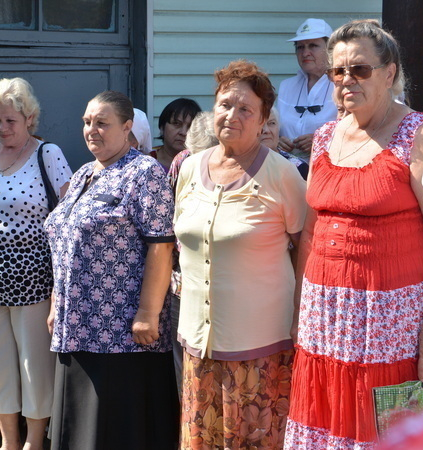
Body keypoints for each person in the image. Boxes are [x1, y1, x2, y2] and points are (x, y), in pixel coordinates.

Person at [285, 20, 423, 448]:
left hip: (390, 323)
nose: (347, 79)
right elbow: (311, 230)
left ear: (389, 73)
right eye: (338, 71)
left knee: (381, 429)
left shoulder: (420, 134)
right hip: (325, 315)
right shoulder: (325, 136)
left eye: (360, 69)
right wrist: (298, 309)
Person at [175, 60, 307, 448]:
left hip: (261, 348)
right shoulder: (190, 168)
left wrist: (300, 315)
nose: (232, 115)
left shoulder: (283, 174)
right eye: (224, 105)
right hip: (198, 344)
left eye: (246, 109)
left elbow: (308, 249)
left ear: (264, 119)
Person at [44, 90, 179, 450]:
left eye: (102, 123)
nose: (92, 129)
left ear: (127, 126)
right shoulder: (84, 173)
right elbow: (64, 242)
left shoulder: (144, 172)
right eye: (87, 122)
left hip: (121, 333)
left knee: (117, 430)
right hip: (76, 326)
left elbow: (161, 245)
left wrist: (148, 313)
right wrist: (57, 303)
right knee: (79, 425)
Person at [0, 77, 71, 450]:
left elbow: (69, 221)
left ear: (29, 118)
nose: (2, 128)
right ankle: (8, 440)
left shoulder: (48, 155)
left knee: (35, 366)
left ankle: (34, 441)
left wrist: (62, 284)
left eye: (10, 121)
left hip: (35, 282)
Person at [165, 110, 218, 393]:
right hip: (183, 286)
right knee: (186, 372)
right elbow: (168, 219)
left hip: (227, 289)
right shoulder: (183, 162)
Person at [277, 18, 337, 161]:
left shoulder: (340, 86)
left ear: (330, 49)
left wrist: (321, 140)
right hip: (288, 168)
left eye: (313, 46)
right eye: (300, 47)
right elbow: (272, 127)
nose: (305, 53)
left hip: (328, 166)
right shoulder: (286, 86)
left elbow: (353, 132)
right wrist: (278, 140)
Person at [151, 98, 201, 170]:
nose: (184, 133)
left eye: (190, 126)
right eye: (177, 124)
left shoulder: (203, 164)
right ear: (162, 127)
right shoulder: (145, 162)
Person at [261, 107, 310, 179]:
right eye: (260, 124)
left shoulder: (298, 168)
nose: (266, 130)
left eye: (272, 123)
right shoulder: (243, 165)